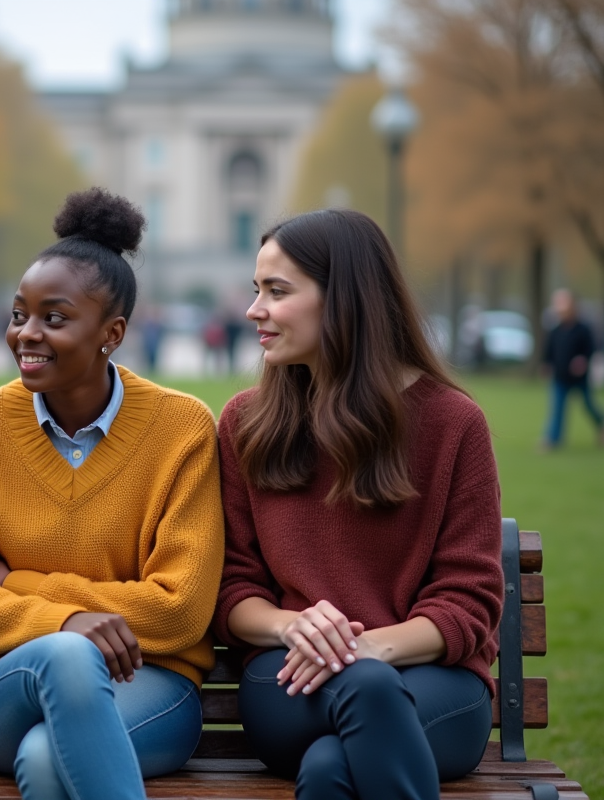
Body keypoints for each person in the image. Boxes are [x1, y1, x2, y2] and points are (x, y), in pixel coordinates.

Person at [0, 187, 225, 800]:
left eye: (54, 319)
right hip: (7, 686)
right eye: (18, 314)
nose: (25, 334)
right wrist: (69, 622)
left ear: (110, 333)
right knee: (65, 656)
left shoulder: (182, 429)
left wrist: (22, 586)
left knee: (45, 757)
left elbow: (181, 608)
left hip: (154, 684)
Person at [215, 208, 504, 800]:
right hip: (288, 677)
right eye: (255, 290)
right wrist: (294, 625)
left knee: (330, 766)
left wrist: (366, 649)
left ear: (343, 299)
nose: (254, 310)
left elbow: (469, 600)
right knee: (362, 696)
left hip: (434, 684)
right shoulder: (247, 423)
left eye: (277, 291)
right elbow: (231, 589)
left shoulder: (453, 423)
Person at [541, 288, 603, 448]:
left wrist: (582, 360)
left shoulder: (583, 329)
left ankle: (601, 424)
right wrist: (546, 364)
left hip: (579, 379)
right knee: (557, 408)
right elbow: (549, 351)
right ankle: (552, 439)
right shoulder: (555, 330)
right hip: (560, 377)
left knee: (589, 405)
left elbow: (590, 349)